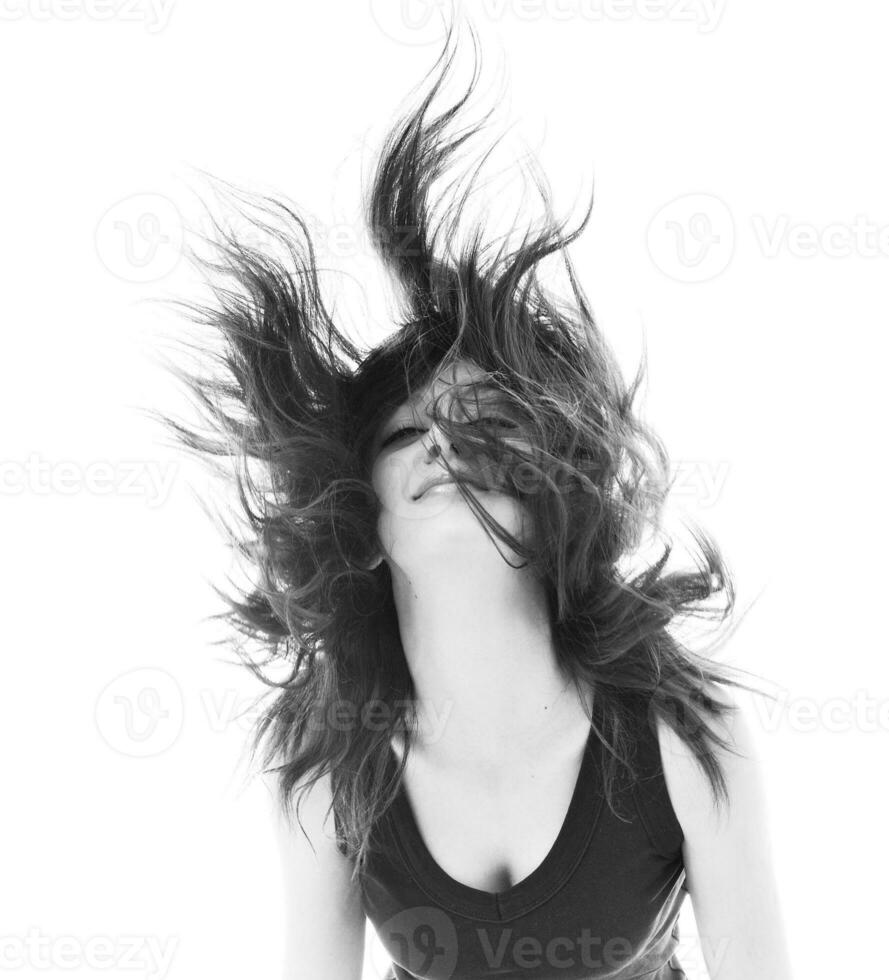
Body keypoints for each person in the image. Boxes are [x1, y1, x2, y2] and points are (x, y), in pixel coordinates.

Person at [154, 15, 794, 980]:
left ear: (552, 499)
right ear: (360, 521)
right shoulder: (331, 769)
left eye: (488, 430)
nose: (445, 446)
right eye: (408, 436)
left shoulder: (682, 731)